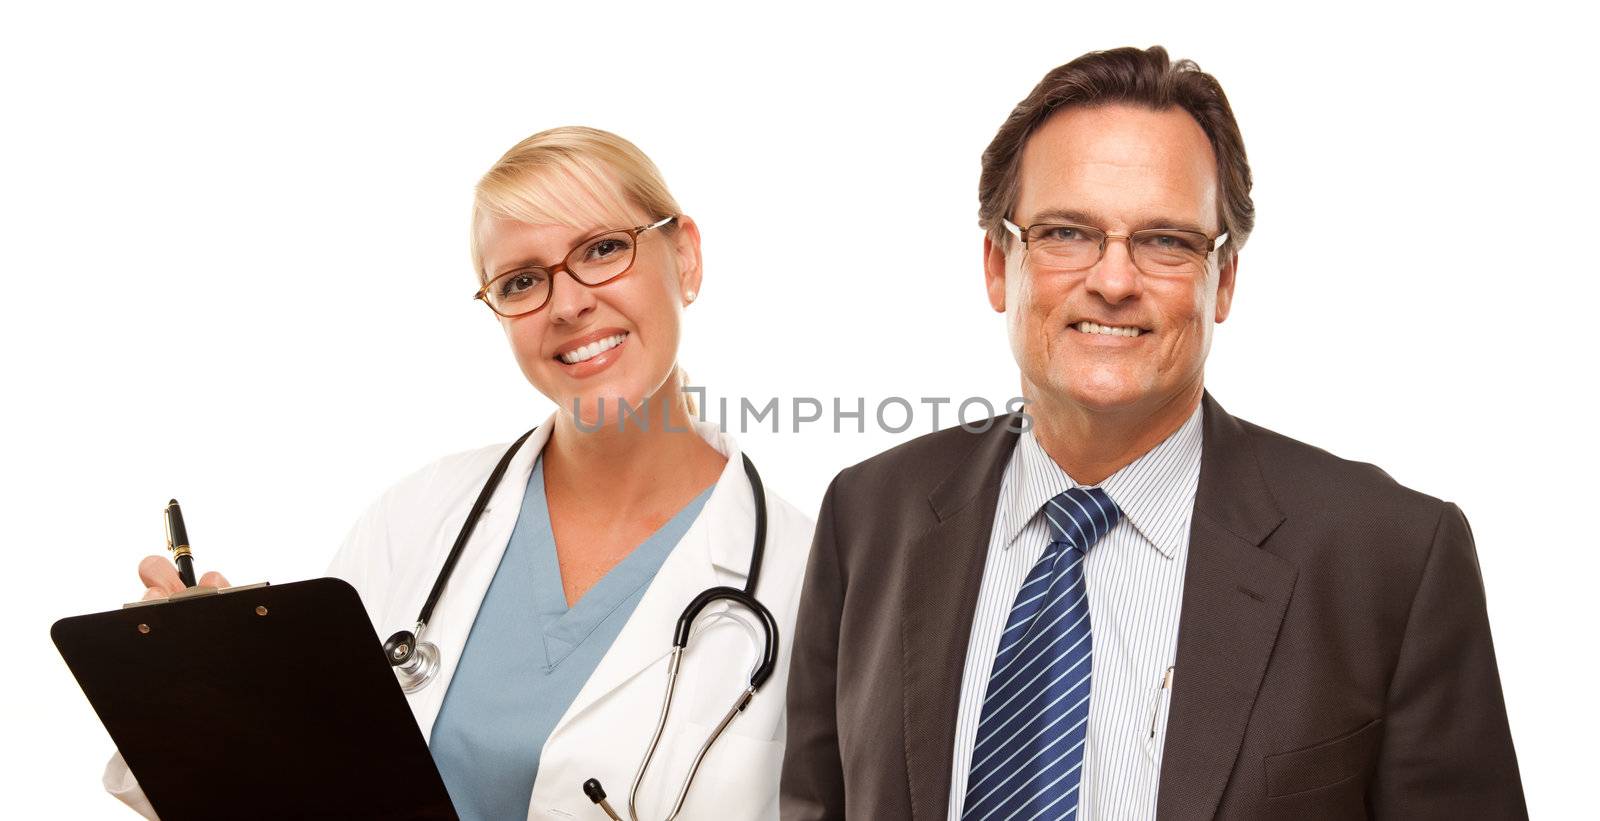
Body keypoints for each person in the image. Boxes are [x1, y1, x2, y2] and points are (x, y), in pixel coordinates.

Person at [780, 46, 1526, 819]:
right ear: (999, 265)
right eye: (1067, 232)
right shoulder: (868, 518)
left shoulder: (1391, 557)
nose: (1113, 279)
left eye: (1165, 240)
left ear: (1223, 279)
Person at [109, 126, 815, 820]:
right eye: (522, 281)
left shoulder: (812, 578)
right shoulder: (416, 518)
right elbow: (299, 791)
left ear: (685, 257)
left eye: (604, 249)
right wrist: (195, 693)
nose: (568, 304)